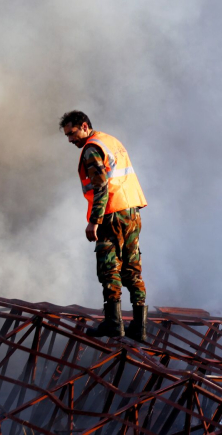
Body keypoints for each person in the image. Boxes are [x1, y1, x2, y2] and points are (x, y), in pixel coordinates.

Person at [60, 110, 149, 342]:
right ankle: (140, 327)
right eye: (68, 136)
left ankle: (114, 323)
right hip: (131, 211)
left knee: (109, 267)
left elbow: (100, 187)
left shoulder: (91, 148)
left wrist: (94, 221)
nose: (71, 139)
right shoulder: (110, 141)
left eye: (72, 133)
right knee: (133, 267)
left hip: (111, 214)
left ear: (85, 126)